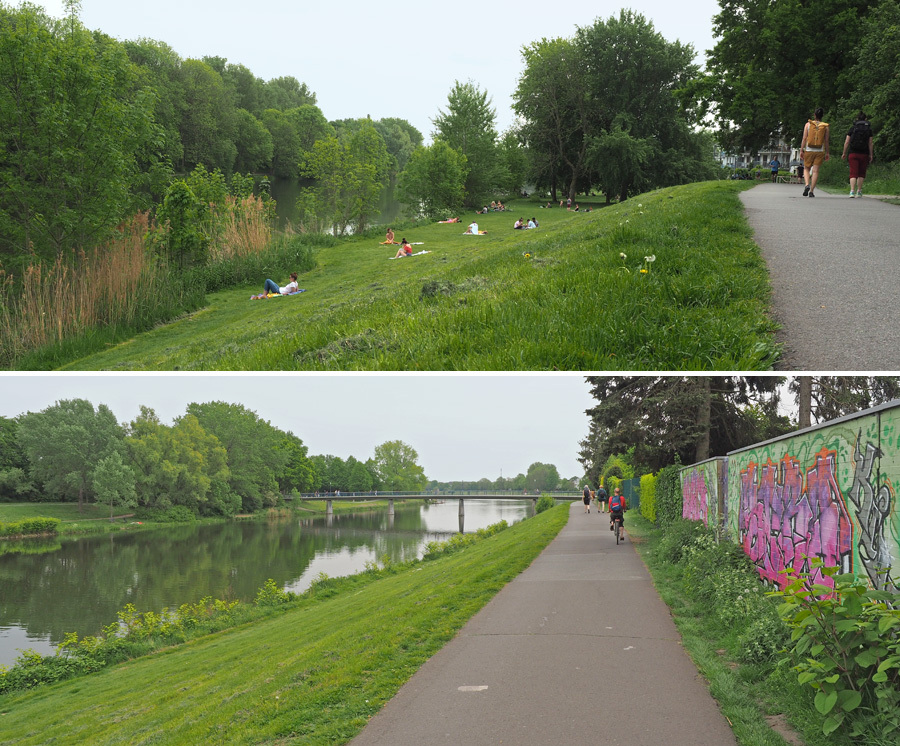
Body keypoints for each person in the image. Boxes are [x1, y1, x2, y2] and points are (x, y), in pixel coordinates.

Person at [841, 111, 874, 198]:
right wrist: (871, 154)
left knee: (853, 172)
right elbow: (870, 143)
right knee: (861, 173)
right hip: (864, 153)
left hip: (853, 153)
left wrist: (844, 152)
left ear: (857, 119)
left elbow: (847, 141)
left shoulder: (853, 128)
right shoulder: (869, 129)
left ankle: (852, 191)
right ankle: (859, 191)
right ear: (865, 119)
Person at [800, 108, 830, 197]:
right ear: (822, 116)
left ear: (814, 115)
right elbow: (826, 140)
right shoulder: (825, 126)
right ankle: (812, 191)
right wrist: (827, 152)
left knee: (806, 168)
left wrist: (801, 150)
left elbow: (804, 138)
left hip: (809, 150)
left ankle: (806, 184)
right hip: (819, 150)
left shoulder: (808, 124)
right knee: (815, 171)